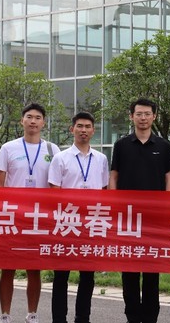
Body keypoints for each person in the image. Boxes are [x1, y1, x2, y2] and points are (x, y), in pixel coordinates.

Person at [108, 98, 170, 323]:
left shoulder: (163, 146)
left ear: (154, 116)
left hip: (155, 218)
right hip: (127, 218)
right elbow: (114, 176)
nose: (143, 118)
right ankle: (132, 316)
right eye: (139, 114)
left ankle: (150, 316)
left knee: (151, 270)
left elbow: (168, 178)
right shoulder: (122, 145)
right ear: (132, 117)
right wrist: (114, 206)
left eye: (147, 114)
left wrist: (168, 208)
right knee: (129, 270)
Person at [0, 103, 60, 323]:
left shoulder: (52, 150)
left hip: (39, 217)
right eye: (29, 117)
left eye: (38, 117)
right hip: (12, 215)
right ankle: (5, 315)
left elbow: (57, 184)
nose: (33, 121)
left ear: (43, 122)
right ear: (21, 121)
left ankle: (32, 314)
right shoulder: (8, 148)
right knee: (8, 268)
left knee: (34, 268)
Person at [48, 111, 109, 323]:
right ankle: (59, 319)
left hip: (91, 223)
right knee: (61, 276)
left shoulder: (101, 159)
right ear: (72, 129)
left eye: (88, 126)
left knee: (87, 276)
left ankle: (83, 317)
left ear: (93, 131)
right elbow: (54, 191)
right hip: (66, 222)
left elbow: (104, 189)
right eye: (80, 126)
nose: (83, 130)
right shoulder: (60, 158)